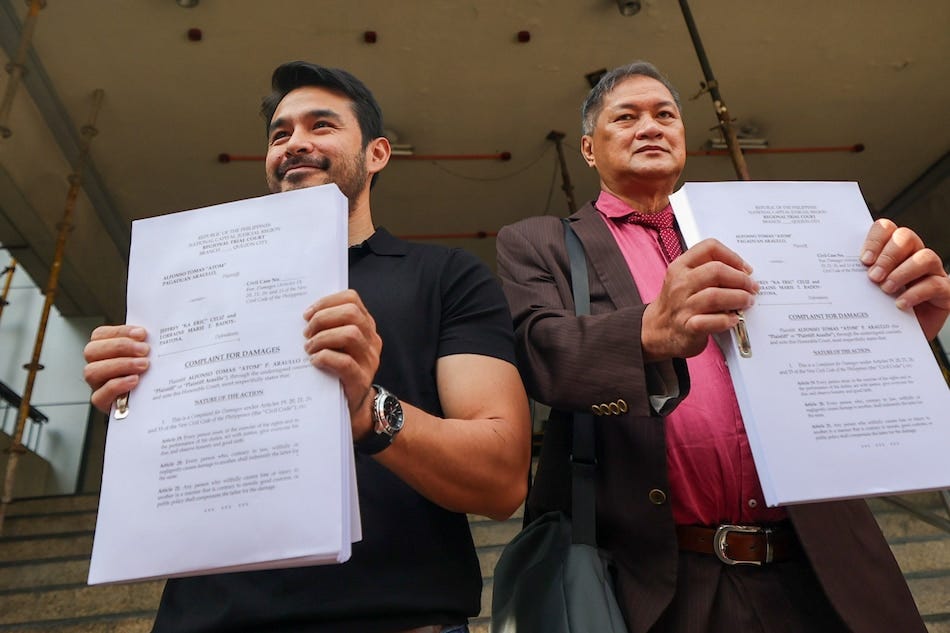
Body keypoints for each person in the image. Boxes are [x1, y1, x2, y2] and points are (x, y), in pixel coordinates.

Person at [495, 60, 950, 633]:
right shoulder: (541, 242)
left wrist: (898, 334)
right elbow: (541, 349)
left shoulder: (751, 226)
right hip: (664, 578)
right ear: (588, 150)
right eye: (626, 117)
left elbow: (820, 355)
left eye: (665, 115)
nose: (651, 127)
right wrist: (649, 331)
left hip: (817, 568)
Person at [83, 61, 531, 633]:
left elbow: (501, 482)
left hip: (396, 619)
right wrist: (126, 399)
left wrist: (367, 409)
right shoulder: (194, 289)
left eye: (322, 126)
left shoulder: (446, 276)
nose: (295, 143)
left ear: (377, 154)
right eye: (280, 133)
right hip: (204, 620)